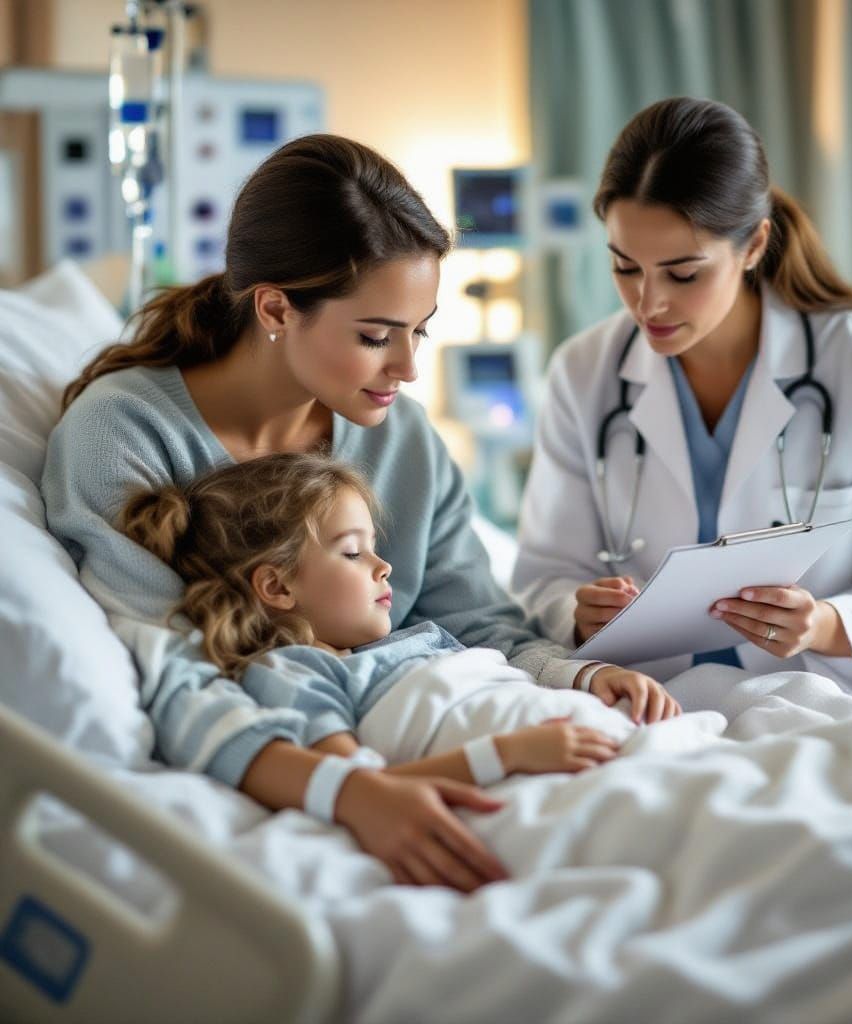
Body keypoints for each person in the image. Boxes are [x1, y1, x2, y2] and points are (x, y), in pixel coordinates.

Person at [42, 134, 676, 893]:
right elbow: (170, 668)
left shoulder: (404, 441)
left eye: (420, 331)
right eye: (376, 337)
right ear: (276, 307)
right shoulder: (123, 436)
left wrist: (577, 673)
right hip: (325, 761)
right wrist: (349, 792)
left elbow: (479, 621)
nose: (408, 370)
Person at [512, 97, 852, 691]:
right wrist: (577, 613)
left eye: (683, 274)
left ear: (754, 245)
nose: (648, 303)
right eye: (626, 267)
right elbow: (545, 575)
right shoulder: (583, 373)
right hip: (654, 698)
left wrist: (825, 625)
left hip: (846, 693)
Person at [119, 451, 677, 827]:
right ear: (277, 585)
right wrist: (509, 753)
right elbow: (363, 786)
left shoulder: (418, 640)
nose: (385, 567)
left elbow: (508, 669)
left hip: (592, 738)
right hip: (538, 778)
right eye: (353, 551)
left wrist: (594, 676)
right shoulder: (296, 674)